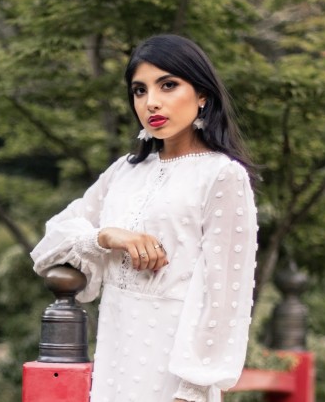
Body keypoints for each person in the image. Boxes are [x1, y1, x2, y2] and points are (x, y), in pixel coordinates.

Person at [30, 34, 258, 402]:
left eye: (168, 85)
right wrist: (107, 236)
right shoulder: (125, 172)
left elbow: (224, 293)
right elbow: (51, 242)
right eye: (139, 90)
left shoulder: (222, 175)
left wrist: (193, 391)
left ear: (202, 95)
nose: (151, 101)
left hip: (175, 373)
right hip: (115, 359)